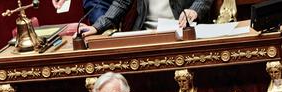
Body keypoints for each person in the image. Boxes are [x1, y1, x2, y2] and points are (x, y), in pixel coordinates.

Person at [79, 0, 214, 38]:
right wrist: (97, 27)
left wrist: (194, 10)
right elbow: (122, 2)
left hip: (183, 31)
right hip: (145, 33)